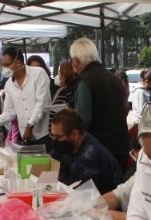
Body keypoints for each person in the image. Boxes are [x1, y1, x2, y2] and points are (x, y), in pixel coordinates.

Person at [70, 38, 131, 171]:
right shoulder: (113, 78)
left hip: (97, 151)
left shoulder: (85, 82)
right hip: (120, 146)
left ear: (75, 61)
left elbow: (82, 121)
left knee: (98, 191)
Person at [0, 47, 51, 147]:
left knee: (42, 163)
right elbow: (9, 112)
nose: (4, 68)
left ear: (18, 62)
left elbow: (41, 103)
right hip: (24, 138)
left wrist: (30, 126)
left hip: (42, 136)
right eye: (2, 65)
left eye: (7, 65)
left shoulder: (38, 74)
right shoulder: (9, 85)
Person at [49, 109, 123, 194]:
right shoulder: (73, 143)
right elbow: (53, 156)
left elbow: (80, 197)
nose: (54, 140)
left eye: (57, 137)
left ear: (74, 134)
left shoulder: (88, 159)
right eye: (53, 136)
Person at [49, 61, 78, 126]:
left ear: (64, 74)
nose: (58, 76)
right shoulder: (63, 89)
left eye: (59, 73)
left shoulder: (66, 91)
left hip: (62, 129)